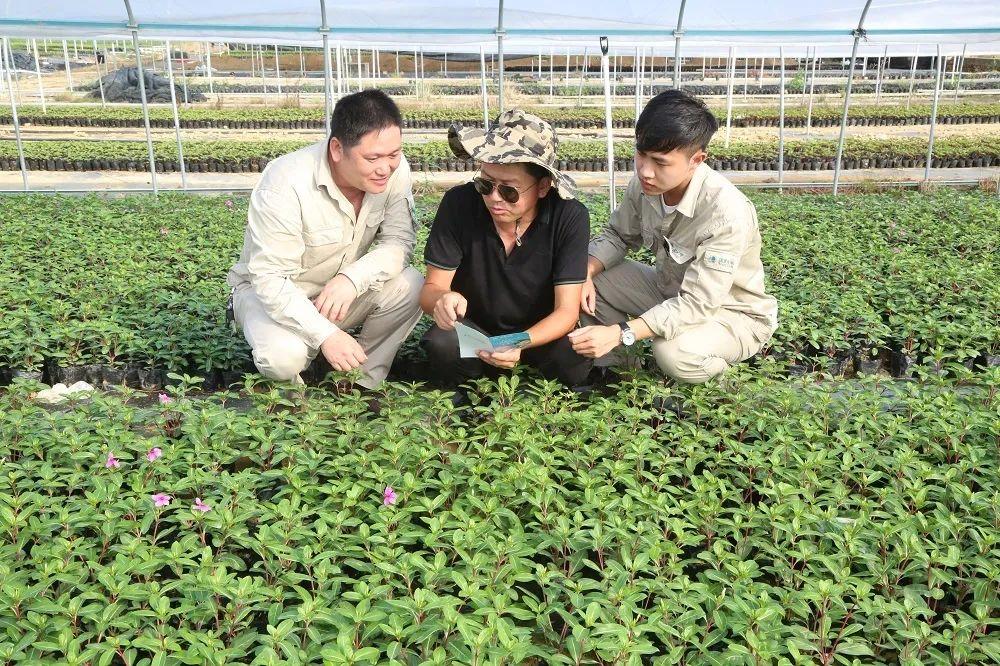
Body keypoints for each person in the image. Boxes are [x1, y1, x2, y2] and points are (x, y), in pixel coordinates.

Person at [570, 90, 778, 384]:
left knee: (671, 352)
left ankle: (723, 380)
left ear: (696, 159)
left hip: (731, 314)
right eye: (640, 154)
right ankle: (619, 373)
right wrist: (586, 272)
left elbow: (697, 304)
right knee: (588, 282)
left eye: (660, 162)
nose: (645, 171)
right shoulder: (645, 185)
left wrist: (622, 332)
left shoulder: (725, 212)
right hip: (670, 292)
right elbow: (618, 235)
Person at [227, 89, 422, 388]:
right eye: (372, 158)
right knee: (283, 356)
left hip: (339, 294)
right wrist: (326, 334)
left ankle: (359, 382)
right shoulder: (285, 182)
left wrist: (352, 278)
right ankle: (296, 395)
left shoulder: (395, 171)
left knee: (411, 286)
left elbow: (398, 242)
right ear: (336, 149)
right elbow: (269, 280)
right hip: (277, 296)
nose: (386, 167)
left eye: (394, 154)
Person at [419, 109, 592, 388]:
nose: (494, 198)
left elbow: (566, 312)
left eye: (509, 190)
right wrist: (442, 299)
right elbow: (431, 289)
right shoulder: (459, 205)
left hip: (538, 333)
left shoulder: (569, 217)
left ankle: (528, 388)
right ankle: (473, 384)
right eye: (485, 184)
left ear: (543, 187)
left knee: (573, 355)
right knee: (443, 342)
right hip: (475, 331)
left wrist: (516, 342)